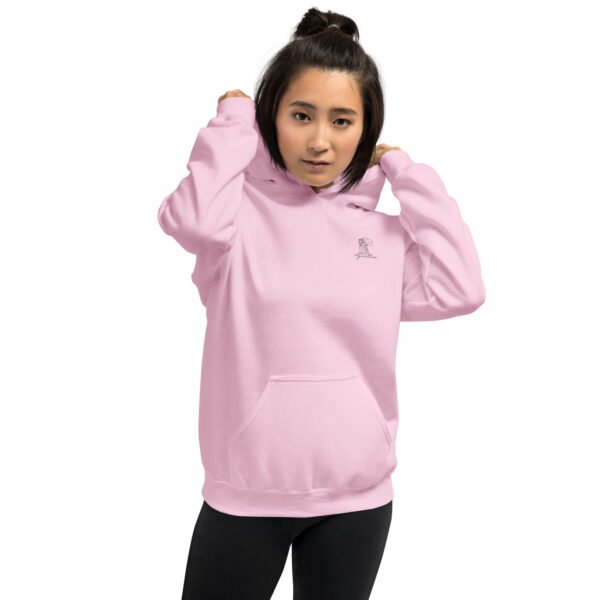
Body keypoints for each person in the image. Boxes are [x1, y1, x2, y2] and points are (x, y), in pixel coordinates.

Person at [157, 7, 486, 599]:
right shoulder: (233, 218)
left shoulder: (382, 236)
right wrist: (232, 121)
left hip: (358, 500)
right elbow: (192, 220)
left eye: (342, 121)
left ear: (365, 129)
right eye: (301, 115)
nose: (319, 141)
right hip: (245, 497)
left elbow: (460, 287)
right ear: (272, 118)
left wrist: (405, 172)